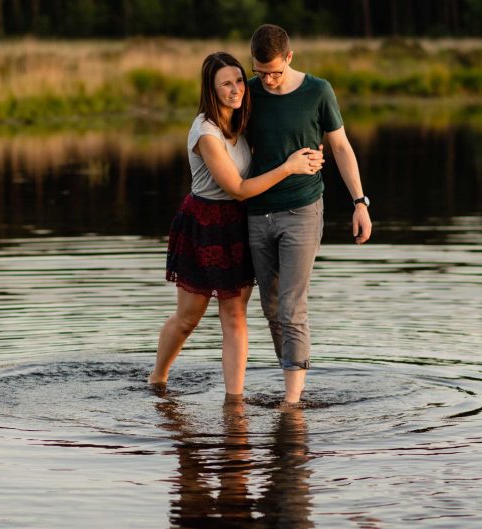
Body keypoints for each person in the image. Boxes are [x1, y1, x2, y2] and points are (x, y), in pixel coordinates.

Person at [148, 51, 325, 396]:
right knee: (188, 318)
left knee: (234, 316)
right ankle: (157, 378)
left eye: (239, 80)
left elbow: (279, 139)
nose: (236, 89)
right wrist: (289, 167)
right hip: (205, 223)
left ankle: (235, 401)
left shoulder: (242, 121)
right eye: (225, 84)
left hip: (239, 224)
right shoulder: (205, 132)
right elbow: (240, 189)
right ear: (211, 90)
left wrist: (311, 154)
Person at [246, 24, 373, 405]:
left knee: (290, 304)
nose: (267, 79)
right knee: (270, 306)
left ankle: (291, 401)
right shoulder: (249, 93)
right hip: (256, 211)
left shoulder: (319, 91)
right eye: (259, 72)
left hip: (302, 209)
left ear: (289, 57)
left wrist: (360, 202)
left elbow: (341, 148)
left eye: (274, 71)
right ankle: (292, 376)